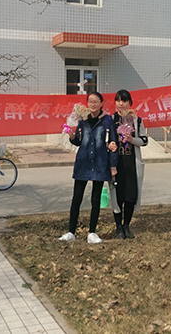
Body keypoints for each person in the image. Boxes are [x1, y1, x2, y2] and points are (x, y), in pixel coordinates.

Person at [59, 91, 118, 244]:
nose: (93, 104)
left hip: (100, 163)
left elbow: (113, 144)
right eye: (90, 101)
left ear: (101, 104)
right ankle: (71, 232)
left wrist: (113, 165)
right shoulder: (83, 120)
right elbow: (79, 141)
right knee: (76, 198)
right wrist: (71, 135)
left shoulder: (107, 121)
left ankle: (92, 232)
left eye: (96, 101)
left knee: (95, 198)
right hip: (83, 163)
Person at [110, 89, 148, 239]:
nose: (121, 104)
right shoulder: (110, 119)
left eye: (124, 101)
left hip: (132, 163)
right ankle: (118, 227)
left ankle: (127, 226)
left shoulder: (136, 120)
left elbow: (144, 140)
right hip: (116, 164)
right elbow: (105, 139)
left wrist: (132, 140)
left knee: (131, 196)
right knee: (117, 196)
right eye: (118, 100)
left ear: (130, 103)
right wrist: (111, 144)